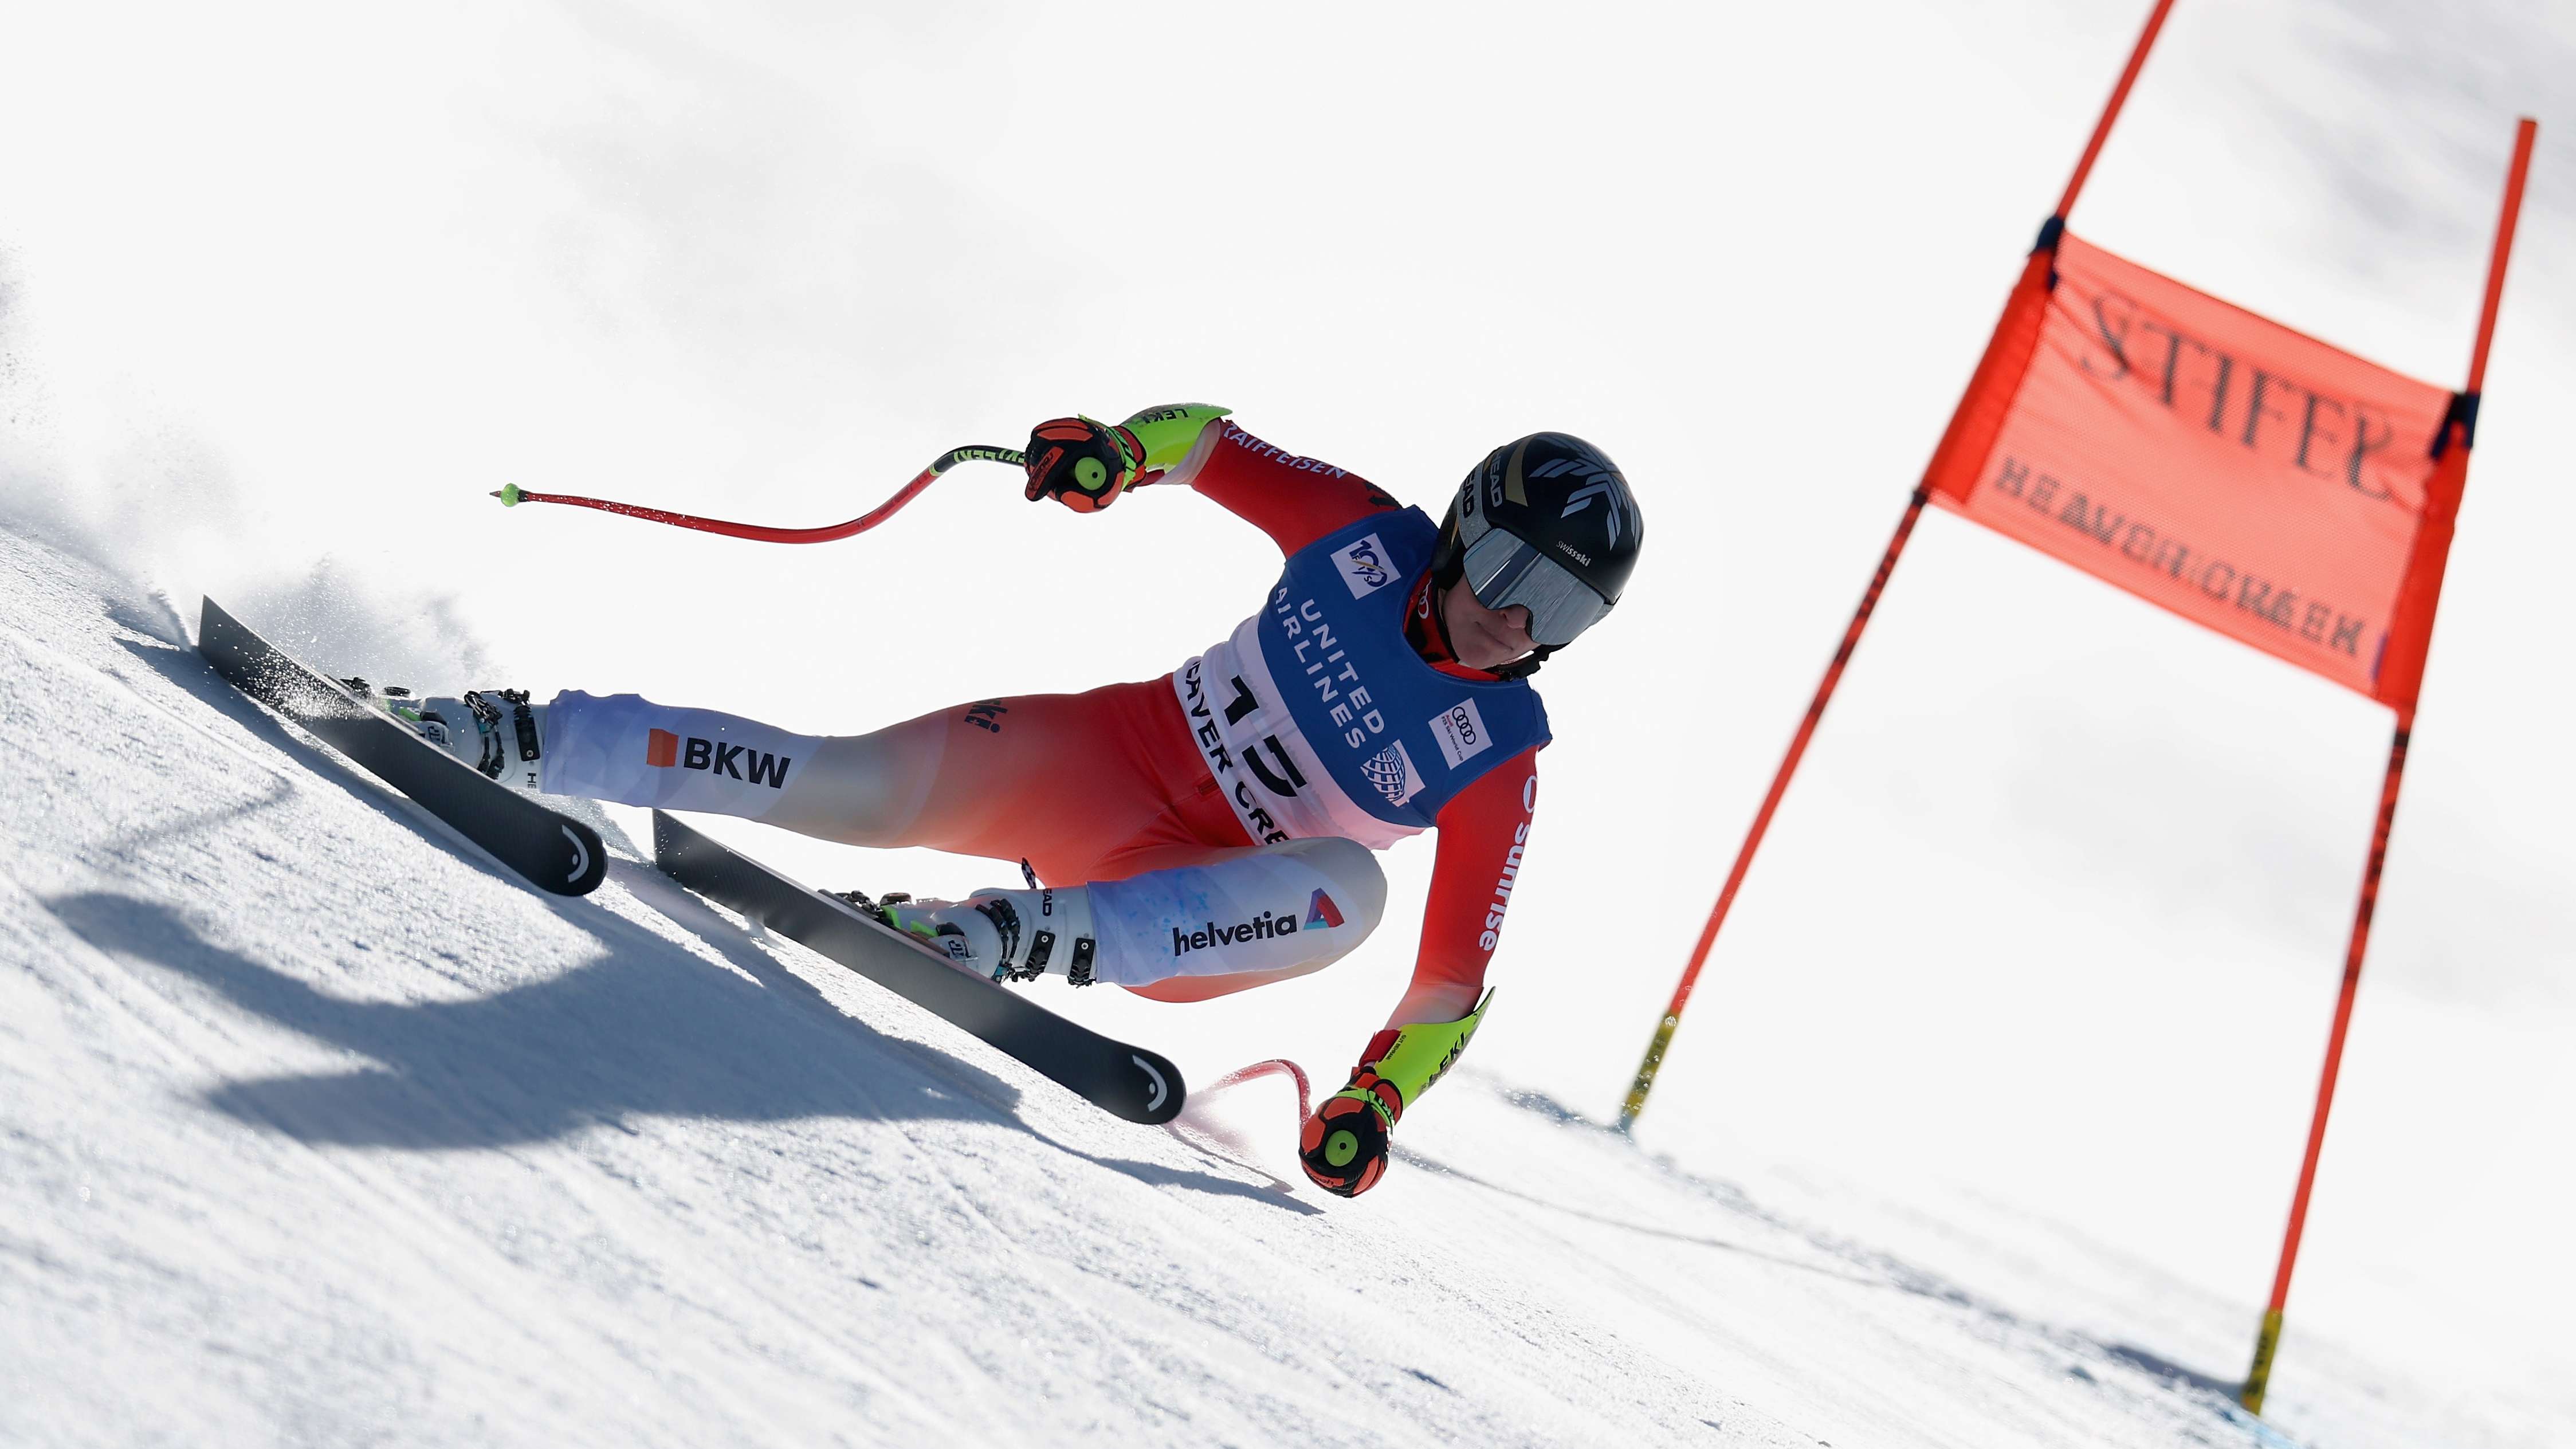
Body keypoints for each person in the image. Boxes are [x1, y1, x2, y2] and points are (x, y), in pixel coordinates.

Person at [396, 406, 1643, 1196]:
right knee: (841, 780)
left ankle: (1004, 934)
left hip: (1185, 908)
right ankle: (508, 732)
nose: (1517, 618)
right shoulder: (1358, 533)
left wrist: (1375, 1097)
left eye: (1566, 608)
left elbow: (1448, 981)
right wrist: (1115, 454)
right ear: (1464, 529)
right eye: (1513, 567)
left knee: (1356, 889)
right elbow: (1207, 441)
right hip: (1098, 757)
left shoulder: (1498, 749)